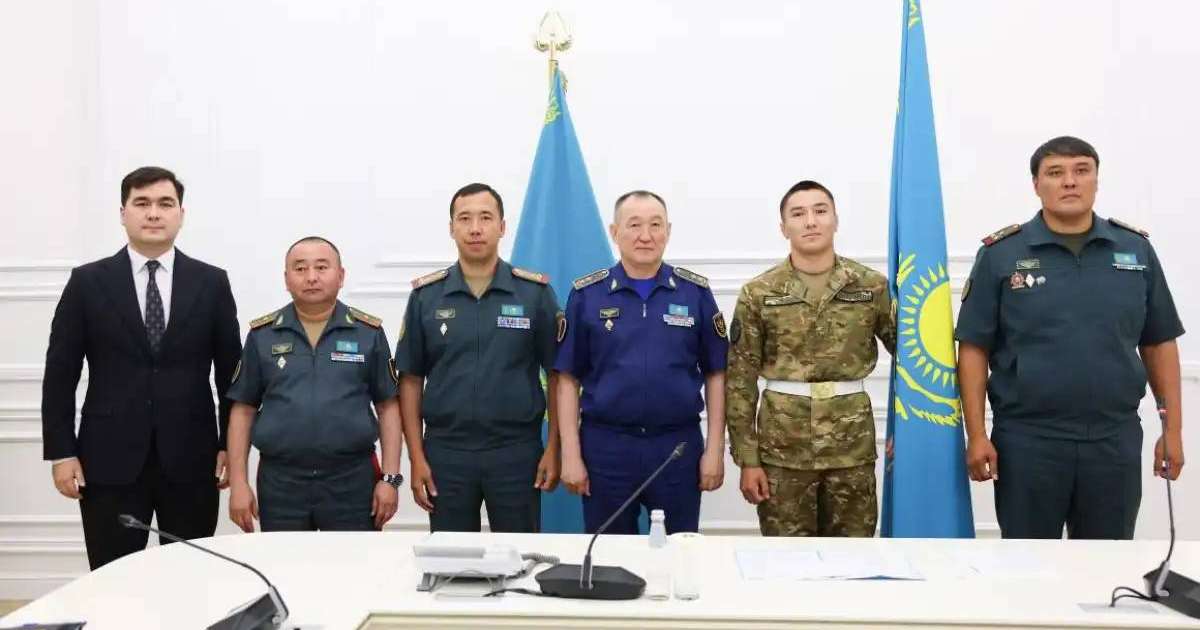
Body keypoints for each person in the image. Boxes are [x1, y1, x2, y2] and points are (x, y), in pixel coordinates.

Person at [957, 136, 1185, 539]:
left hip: (1113, 440)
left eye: (1082, 170)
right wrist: (976, 435)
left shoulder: (1135, 251)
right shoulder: (1001, 255)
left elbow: (1159, 343)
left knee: (1107, 568)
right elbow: (974, 349)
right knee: (1027, 570)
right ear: (1036, 184)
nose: (1070, 182)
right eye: (1056, 173)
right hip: (1028, 442)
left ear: (1096, 180)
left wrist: (1173, 432)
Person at [41, 166, 242, 569]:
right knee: (113, 578)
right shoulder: (87, 282)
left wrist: (229, 447)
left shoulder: (211, 282)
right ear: (123, 213)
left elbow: (231, 375)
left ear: (180, 214)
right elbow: (60, 374)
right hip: (107, 461)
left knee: (190, 576)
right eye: (142, 203)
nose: (154, 213)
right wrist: (62, 452)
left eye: (165, 204)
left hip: (193, 458)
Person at [725, 180, 896, 537]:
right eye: (798, 214)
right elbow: (739, 379)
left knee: (854, 560)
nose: (810, 222)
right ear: (783, 227)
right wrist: (748, 459)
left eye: (820, 211)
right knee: (785, 563)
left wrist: (908, 429)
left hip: (851, 446)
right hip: (782, 450)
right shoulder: (759, 292)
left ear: (835, 219)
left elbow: (911, 359)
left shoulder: (871, 286)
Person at [556, 190, 728, 535]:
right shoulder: (587, 295)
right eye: (634, 225)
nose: (645, 235)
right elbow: (567, 380)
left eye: (655, 225)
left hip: (677, 448)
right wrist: (571, 456)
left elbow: (716, 375)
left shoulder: (695, 293)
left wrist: (714, 451)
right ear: (614, 231)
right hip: (607, 448)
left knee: (679, 554)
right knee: (610, 558)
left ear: (668, 231)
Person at [395, 183, 561, 533]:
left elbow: (559, 376)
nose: (474, 228)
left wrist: (555, 447)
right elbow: (410, 381)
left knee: (521, 556)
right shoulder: (427, 297)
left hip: (516, 452)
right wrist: (417, 456)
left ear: (502, 227)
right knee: (452, 562)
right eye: (464, 218)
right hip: (446, 453)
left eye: (485, 218)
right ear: (451, 227)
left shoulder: (535, 294)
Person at [225, 236, 402, 532]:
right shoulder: (263, 335)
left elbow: (388, 408)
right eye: (300, 268)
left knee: (354, 572)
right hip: (282, 482)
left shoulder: (367, 332)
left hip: (352, 481)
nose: (311, 277)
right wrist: (239, 484)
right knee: (284, 571)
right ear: (286, 278)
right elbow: (242, 411)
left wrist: (390, 478)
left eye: (322, 267)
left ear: (341, 276)